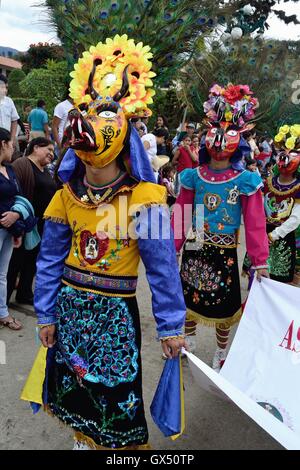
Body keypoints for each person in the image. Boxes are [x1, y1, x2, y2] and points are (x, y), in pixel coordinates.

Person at [21, 36, 186, 451]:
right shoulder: (64, 197)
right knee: (74, 391)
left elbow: (163, 269)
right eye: (90, 111)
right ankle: (81, 439)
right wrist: (45, 315)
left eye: (108, 112)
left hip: (116, 318)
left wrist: (170, 325)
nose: (95, 119)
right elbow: (49, 261)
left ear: (126, 127)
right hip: (70, 310)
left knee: (113, 396)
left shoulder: (145, 198)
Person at [172, 83, 269, 371]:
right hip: (196, 241)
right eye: (214, 132)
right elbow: (181, 214)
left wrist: (259, 261)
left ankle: (221, 352)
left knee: (224, 305)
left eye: (227, 133)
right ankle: (187, 345)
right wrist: (171, 248)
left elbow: (254, 223)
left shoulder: (246, 180)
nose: (219, 140)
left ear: (238, 139)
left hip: (225, 246)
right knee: (189, 297)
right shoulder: (193, 176)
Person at [7, 138, 56, 305]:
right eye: (48, 149)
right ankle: (4, 301)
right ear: (36, 147)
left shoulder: (45, 170)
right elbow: (13, 191)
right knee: (15, 262)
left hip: (41, 224)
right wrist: (17, 216)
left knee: (31, 261)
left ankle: (24, 293)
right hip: (24, 223)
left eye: (52, 151)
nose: (51, 153)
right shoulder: (22, 164)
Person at [265, 124, 300, 284]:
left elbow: (295, 219)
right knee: (256, 277)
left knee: (275, 283)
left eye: (292, 154)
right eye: (282, 153)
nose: (285, 158)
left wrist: (275, 235)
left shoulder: (298, 187)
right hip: (262, 236)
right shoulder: (268, 182)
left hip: (283, 239)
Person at [0, 128, 23, 330]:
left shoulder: (10, 169)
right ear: (3, 144)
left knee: (2, 273)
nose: (13, 147)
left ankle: (3, 313)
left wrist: (16, 218)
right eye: (11, 143)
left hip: (9, 230)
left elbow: (18, 197)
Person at [0, 74, 19, 147]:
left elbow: (14, 120)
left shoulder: (9, 101)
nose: (5, 90)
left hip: (7, 141)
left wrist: (12, 139)